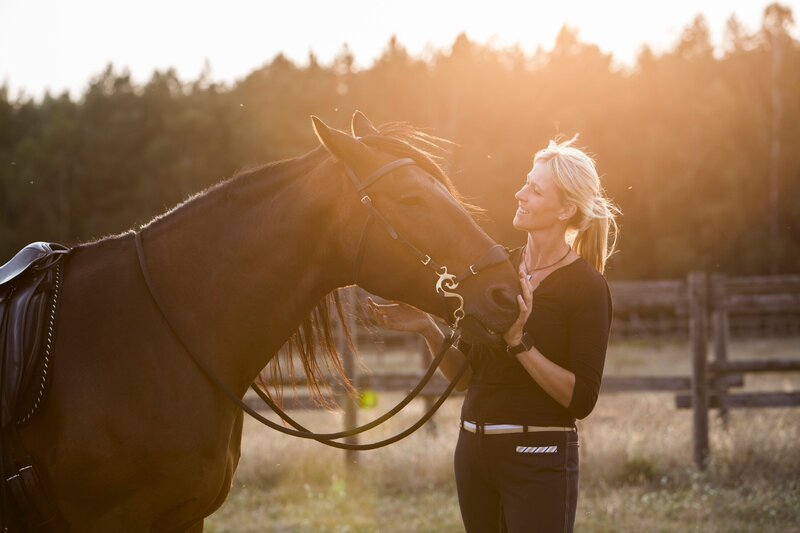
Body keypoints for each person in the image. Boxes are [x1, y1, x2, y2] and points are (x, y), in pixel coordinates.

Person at [366, 135, 620, 532]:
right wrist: (427, 328)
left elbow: (580, 399)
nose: (520, 194)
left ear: (565, 208)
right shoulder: (499, 273)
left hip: (538, 455)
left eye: (535, 190)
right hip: (473, 453)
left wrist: (518, 342)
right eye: (525, 182)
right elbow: (467, 377)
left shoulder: (587, 288)